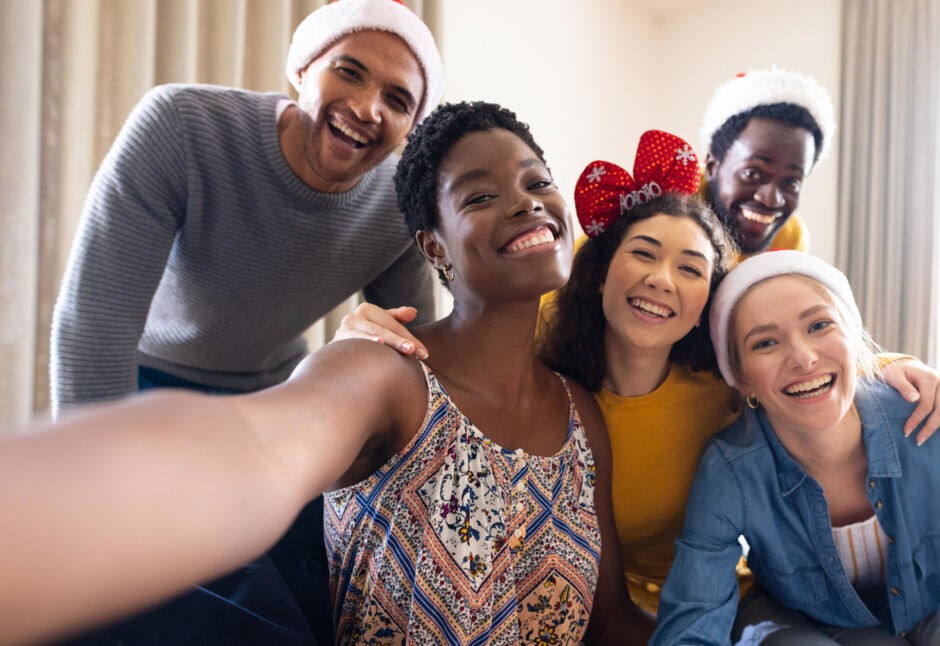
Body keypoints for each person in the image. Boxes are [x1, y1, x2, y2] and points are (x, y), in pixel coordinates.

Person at [3, 99, 653, 645]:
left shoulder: (580, 414)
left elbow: (611, 623)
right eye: (481, 195)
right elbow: (251, 446)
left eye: (537, 182)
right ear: (433, 246)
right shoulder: (382, 373)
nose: (527, 204)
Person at [340, 130, 940, 617]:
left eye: (692, 269)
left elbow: (810, 362)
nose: (661, 280)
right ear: (600, 271)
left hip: (726, 606)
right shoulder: (541, 377)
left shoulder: (727, 391)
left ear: (708, 305)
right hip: (584, 612)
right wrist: (364, 338)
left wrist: (904, 367)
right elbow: (453, 352)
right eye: (643, 254)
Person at [50, 2, 443, 642]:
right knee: (184, 582)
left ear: (408, 127)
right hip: (145, 391)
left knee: (319, 589)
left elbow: (416, 348)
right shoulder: (181, 124)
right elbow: (93, 326)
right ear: (302, 68)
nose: (370, 106)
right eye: (350, 71)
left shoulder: (401, 204)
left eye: (398, 100)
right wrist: (98, 499)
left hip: (274, 401)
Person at [651, 251, 940, 645]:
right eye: (765, 343)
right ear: (742, 379)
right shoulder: (730, 468)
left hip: (933, 601)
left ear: (852, 338)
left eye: (819, 325)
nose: (803, 357)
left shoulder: (934, 419)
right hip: (801, 618)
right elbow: (695, 615)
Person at [700, 66, 833, 254]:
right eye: (752, 174)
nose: (771, 200)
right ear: (712, 166)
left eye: (791, 182)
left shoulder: (790, 239)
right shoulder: (669, 206)